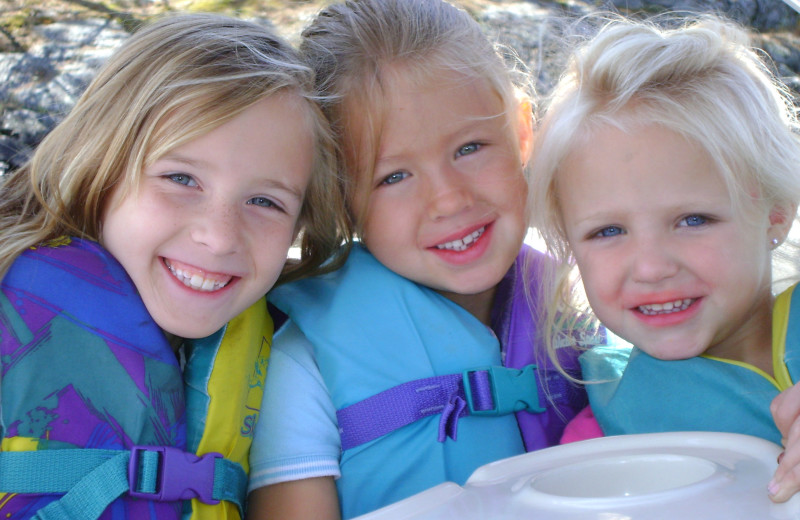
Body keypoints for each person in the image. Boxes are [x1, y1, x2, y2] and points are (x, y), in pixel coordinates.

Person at [245, 0, 599, 518]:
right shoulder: (303, 365)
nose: (450, 199)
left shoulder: (591, 304)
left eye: (470, 147)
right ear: (342, 200)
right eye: (393, 177)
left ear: (522, 133)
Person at [0, 13, 347, 519]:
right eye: (181, 178)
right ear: (101, 166)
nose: (219, 235)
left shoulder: (290, 360)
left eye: (266, 202)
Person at [528, 12, 800, 500]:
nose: (652, 268)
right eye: (608, 231)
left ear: (776, 213)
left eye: (694, 220)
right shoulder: (604, 436)